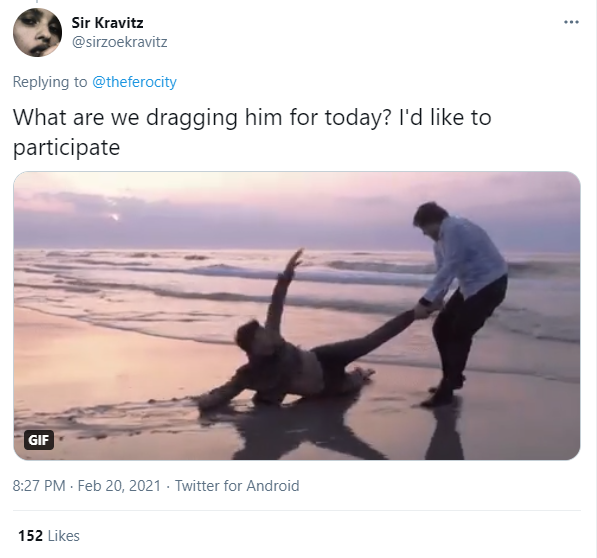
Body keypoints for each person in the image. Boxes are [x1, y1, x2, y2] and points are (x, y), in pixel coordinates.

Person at [197, 249, 427, 412]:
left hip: (322, 356)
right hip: (328, 386)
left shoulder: (273, 337)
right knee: (355, 381)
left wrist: (285, 278)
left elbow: (276, 306)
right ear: (253, 349)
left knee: (369, 342)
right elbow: (223, 393)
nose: (268, 337)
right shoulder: (249, 375)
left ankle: (414, 313)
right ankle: (361, 373)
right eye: (261, 337)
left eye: (265, 332)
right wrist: (206, 402)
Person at [412, 202, 508, 407]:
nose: (424, 233)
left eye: (423, 228)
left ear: (433, 221)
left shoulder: (455, 228)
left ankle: (446, 390)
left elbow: (451, 266)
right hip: (470, 286)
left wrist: (424, 301)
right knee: (441, 328)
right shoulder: (439, 241)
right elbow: (442, 272)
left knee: (460, 332)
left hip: (492, 284)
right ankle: (452, 378)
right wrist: (437, 299)